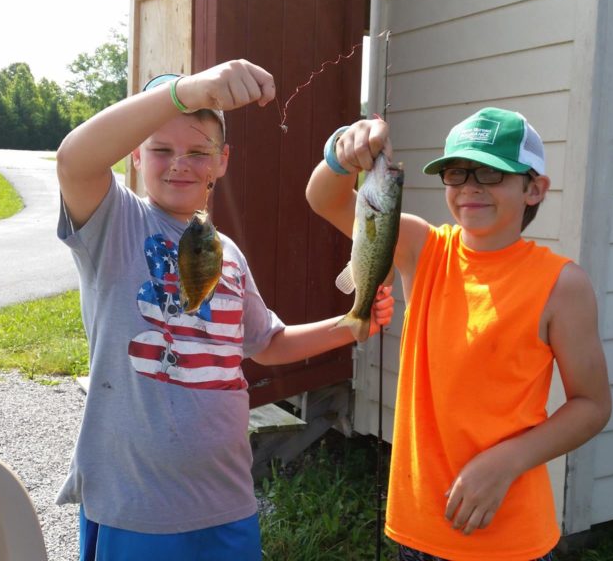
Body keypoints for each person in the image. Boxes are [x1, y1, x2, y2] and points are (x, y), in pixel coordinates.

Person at [54, 59, 394, 561]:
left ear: (222, 161)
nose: (179, 164)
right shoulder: (114, 223)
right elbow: (74, 160)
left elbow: (268, 343)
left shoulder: (225, 252)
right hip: (136, 504)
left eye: (198, 151)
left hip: (226, 502)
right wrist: (188, 91)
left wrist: (349, 326)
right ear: (135, 157)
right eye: (161, 149)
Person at [306, 107, 612, 561]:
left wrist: (507, 462)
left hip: (510, 535)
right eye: (455, 172)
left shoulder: (562, 285)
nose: (470, 186)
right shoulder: (420, 247)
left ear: (534, 188)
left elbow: (592, 405)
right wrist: (344, 148)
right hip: (417, 525)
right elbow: (324, 198)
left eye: (491, 174)